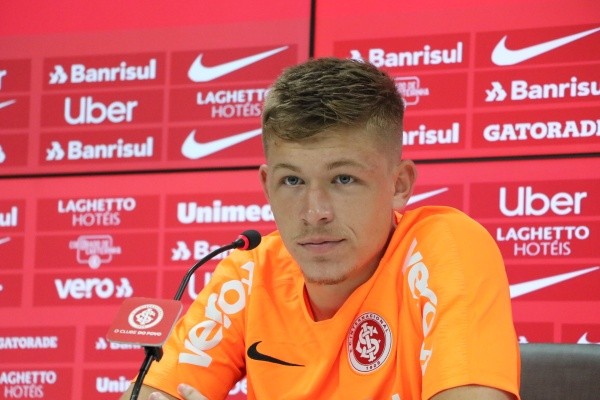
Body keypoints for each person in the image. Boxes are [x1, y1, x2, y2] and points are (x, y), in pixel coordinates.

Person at [120, 57, 520, 400]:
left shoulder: (445, 246)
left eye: (343, 179)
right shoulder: (250, 271)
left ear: (399, 185)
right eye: (292, 180)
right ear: (267, 186)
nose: (314, 213)